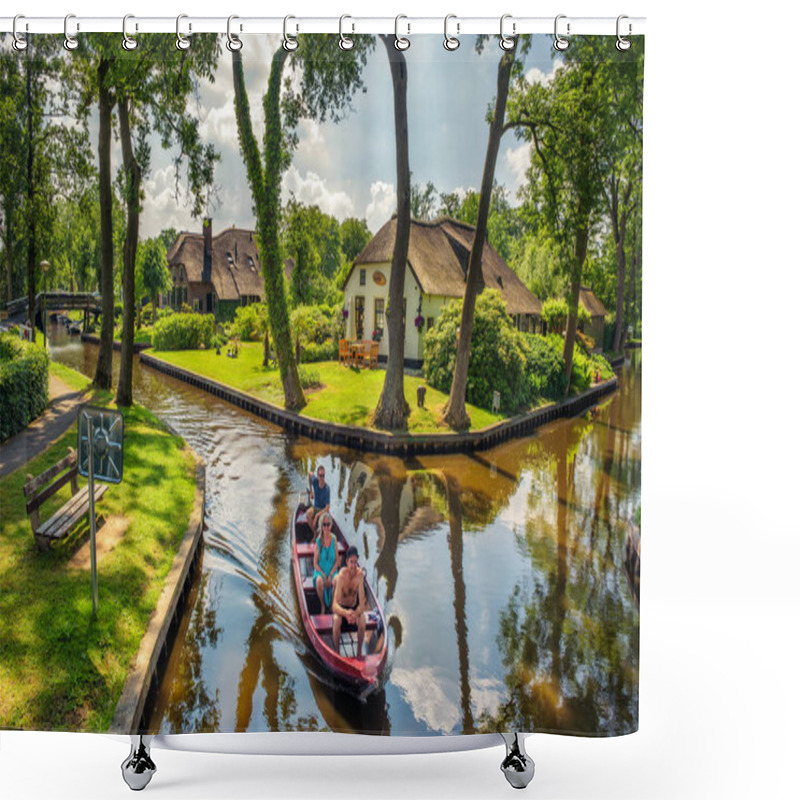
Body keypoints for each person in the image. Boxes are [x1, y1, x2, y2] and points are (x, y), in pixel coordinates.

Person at [332, 545, 367, 658]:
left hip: (353, 609)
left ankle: (359, 653)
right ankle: (337, 653)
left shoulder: (360, 575)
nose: (353, 565)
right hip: (342, 609)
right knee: (337, 620)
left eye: (355, 562)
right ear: (346, 561)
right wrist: (346, 613)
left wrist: (355, 614)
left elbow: (362, 603)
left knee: (362, 620)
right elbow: (335, 605)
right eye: (351, 562)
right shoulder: (341, 575)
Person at [312, 512, 339, 612]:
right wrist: (324, 576)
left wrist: (331, 574)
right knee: (319, 581)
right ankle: (323, 605)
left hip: (332, 570)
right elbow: (315, 563)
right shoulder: (318, 541)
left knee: (337, 580)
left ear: (331, 525)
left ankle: (332, 604)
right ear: (321, 526)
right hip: (321, 571)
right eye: (324, 524)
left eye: (328, 524)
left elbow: (337, 561)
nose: (326, 527)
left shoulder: (334, 539)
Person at [306, 465, 330, 533]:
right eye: (320, 475)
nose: (322, 478)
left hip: (323, 510)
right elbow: (310, 474)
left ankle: (320, 535)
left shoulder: (327, 489)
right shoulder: (315, 481)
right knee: (308, 513)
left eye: (323, 475)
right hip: (316, 508)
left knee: (322, 522)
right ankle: (314, 533)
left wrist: (317, 515)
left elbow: (327, 508)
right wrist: (311, 491)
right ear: (317, 475)